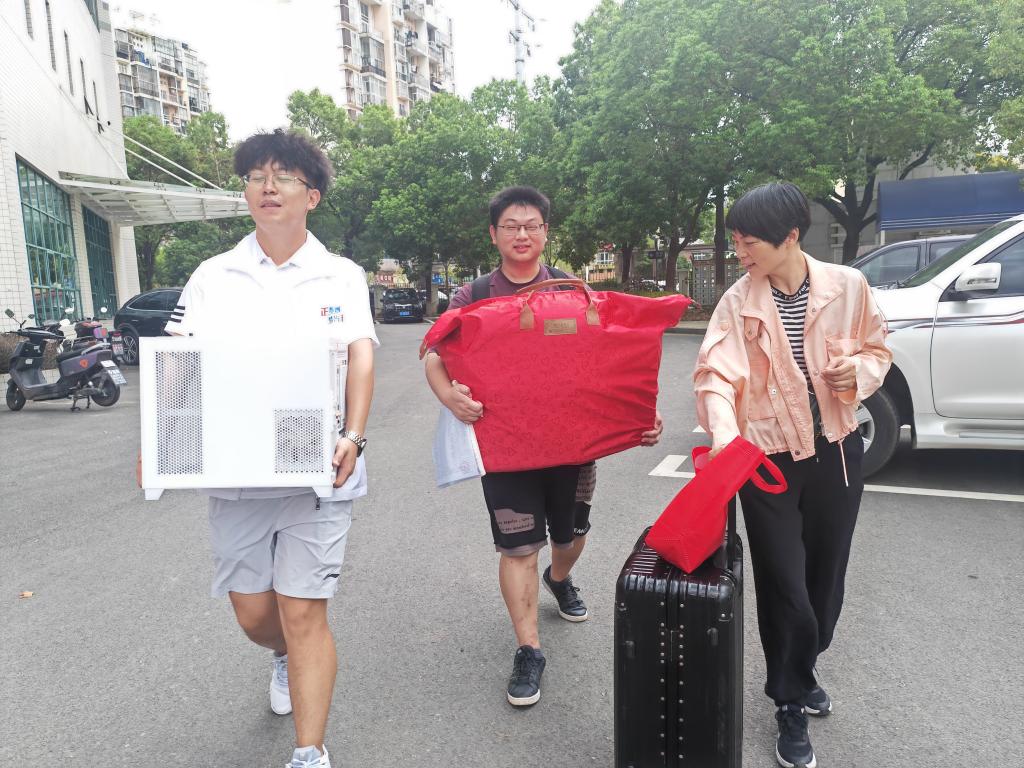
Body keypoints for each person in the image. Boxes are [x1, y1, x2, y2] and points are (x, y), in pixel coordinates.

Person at [158, 129, 377, 768]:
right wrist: (160, 439)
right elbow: (177, 362)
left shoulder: (340, 275)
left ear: (312, 195)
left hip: (317, 464)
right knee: (255, 614)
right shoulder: (213, 275)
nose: (267, 186)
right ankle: (280, 654)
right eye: (256, 176)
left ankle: (309, 752)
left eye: (282, 176)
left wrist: (353, 435)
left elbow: (361, 356)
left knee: (304, 611)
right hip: (237, 465)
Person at [423, 185, 663, 706]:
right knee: (517, 548)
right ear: (494, 234)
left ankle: (560, 576)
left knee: (570, 535)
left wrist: (639, 413)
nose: (522, 234)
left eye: (531, 225)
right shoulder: (472, 295)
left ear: (545, 232)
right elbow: (435, 354)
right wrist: (448, 395)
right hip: (504, 449)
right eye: (511, 226)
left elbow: (607, 360)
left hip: (572, 448)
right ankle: (529, 649)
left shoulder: (573, 292)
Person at [693, 182, 891, 768]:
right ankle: (788, 700)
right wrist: (724, 436)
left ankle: (803, 668)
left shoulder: (848, 287)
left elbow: (878, 351)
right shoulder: (738, 302)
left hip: (837, 452)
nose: (740, 252)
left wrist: (856, 372)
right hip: (768, 460)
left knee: (825, 580)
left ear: (790, 237)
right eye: (736, 240)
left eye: (748, 241)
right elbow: (715, 375)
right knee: (785, 583)